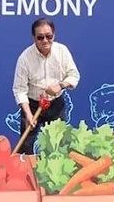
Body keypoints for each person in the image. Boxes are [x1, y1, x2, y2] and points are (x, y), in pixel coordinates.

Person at [11, 17, 81, 154]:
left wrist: (61, 85)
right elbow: (19, 90)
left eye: (48, 36)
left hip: (55, 105)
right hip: (32, 106)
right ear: (34, 38)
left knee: (59, 146)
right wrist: (28, 114)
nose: (45, 41)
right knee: (25, 147)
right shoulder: (25, 58)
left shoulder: (62, 51)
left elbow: (74, 75)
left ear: (54, 35)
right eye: (40, 37)